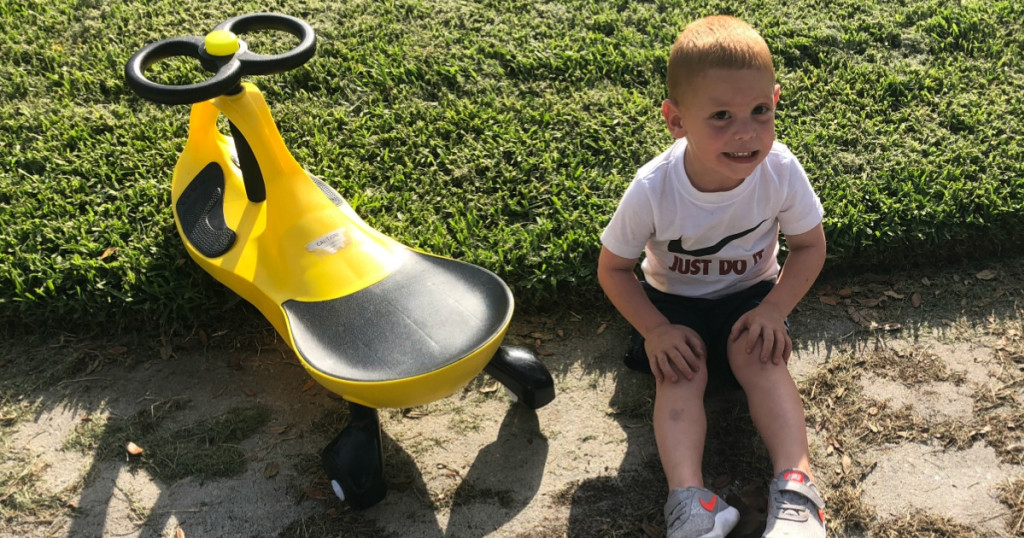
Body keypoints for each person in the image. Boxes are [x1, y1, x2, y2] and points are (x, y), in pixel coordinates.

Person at [597, 15, 828, 538]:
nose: (745, 131)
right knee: (680, 375)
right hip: (672, 304)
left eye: (759, 111)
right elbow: (614, 268)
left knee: (761, 358)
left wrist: (772, 310)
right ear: (675, 120)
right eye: (720, 116)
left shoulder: (781, 171)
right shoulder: (654, 188)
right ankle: (690, 502)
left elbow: (810, 247)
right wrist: (655, 329)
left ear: (775, 100)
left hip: (750, 299)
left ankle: (797, 491)